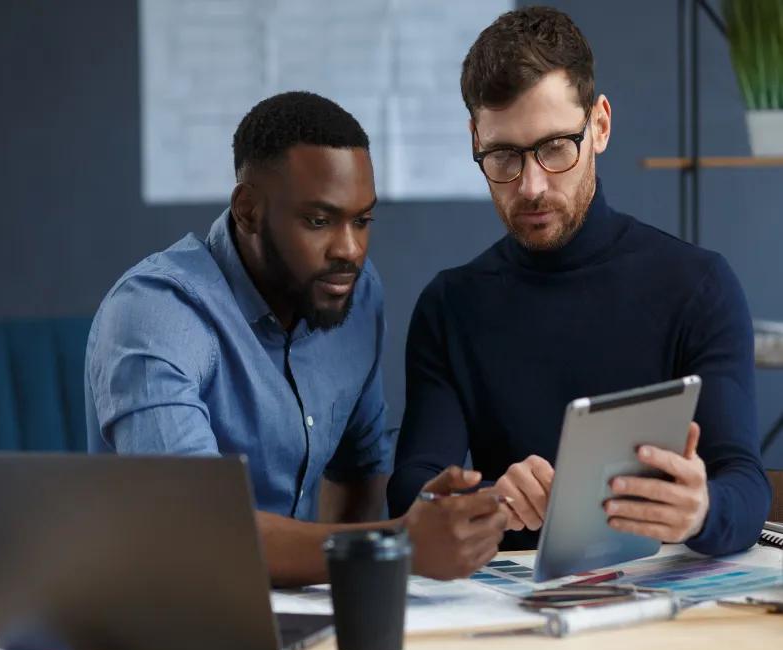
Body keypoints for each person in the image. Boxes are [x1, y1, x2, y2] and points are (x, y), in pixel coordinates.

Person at [388, 7, 770, 555]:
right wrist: (493, 498)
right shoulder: (451, 306)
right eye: (503, 157)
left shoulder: (698, 287)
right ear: (475, 138)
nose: (532, 186)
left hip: (660, 604)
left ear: (600, 126)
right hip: (510, 610)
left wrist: (703, 508)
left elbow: (745, 483)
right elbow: (410, 490)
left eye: (555, 147)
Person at [85, 91, 507, 586]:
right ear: (247, 210)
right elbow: (195, 529)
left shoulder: (355, 292)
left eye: (362, 220)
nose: (349, 250)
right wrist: (402, 544)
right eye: (318, 220)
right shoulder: (157, 313)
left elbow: (361, 471)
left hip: (299, 613)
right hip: (167, 620)